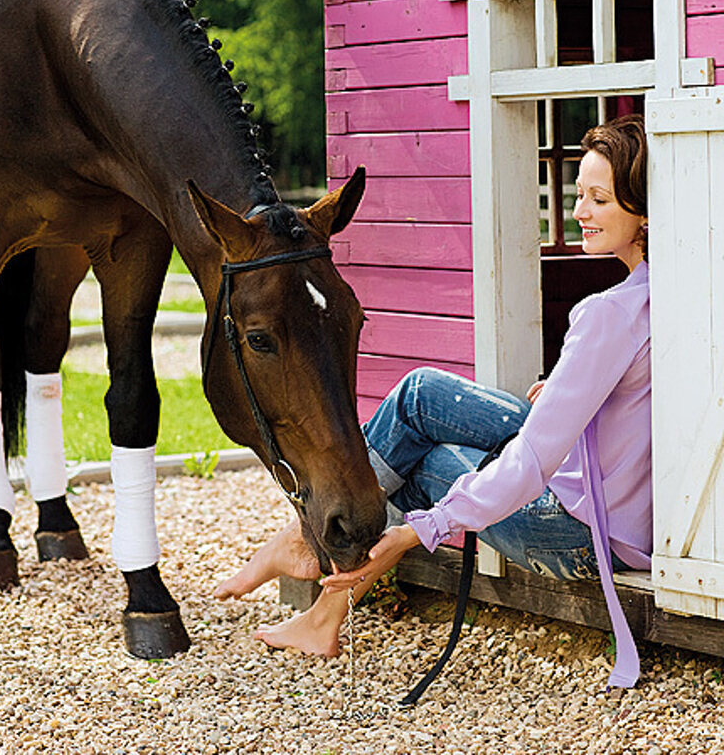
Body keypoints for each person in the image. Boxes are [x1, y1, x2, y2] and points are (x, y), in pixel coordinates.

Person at [215, 115, 650, 687]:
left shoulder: (608, 315)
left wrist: (426, 527)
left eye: (599, 199)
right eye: (579, 193)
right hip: (614, 501)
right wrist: (576, 387)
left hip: (575, 529)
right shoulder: (668, 293)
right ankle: (307, 562)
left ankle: (315, 579)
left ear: (644, 212)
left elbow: (532, 462)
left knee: (421, 464)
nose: (579, 211)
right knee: (420, 394)